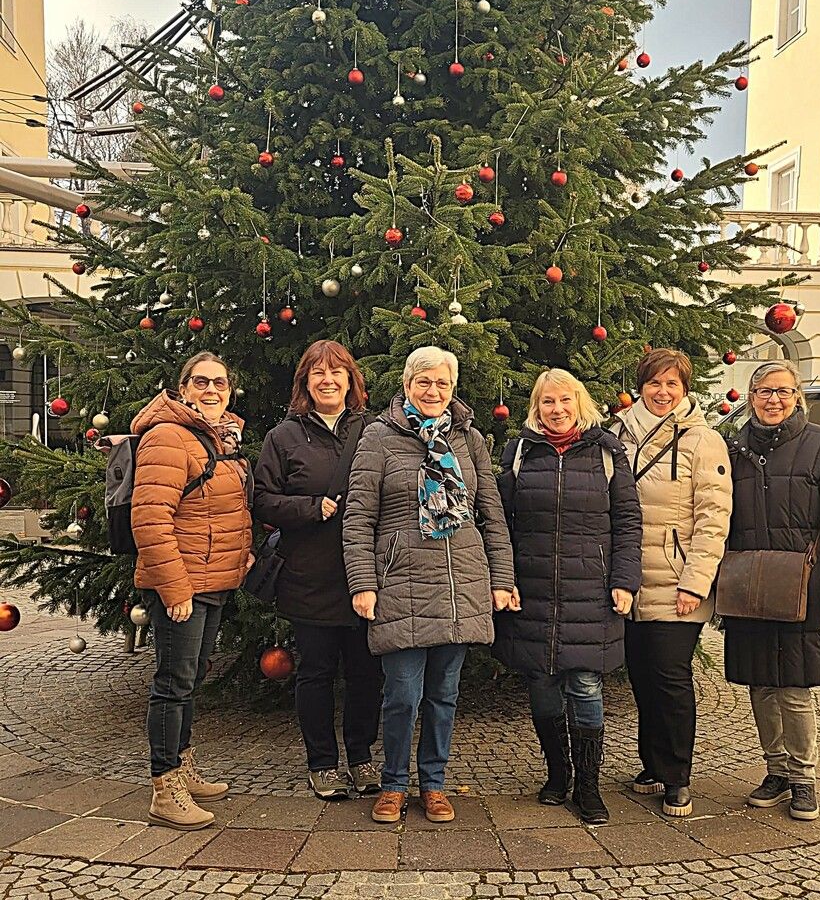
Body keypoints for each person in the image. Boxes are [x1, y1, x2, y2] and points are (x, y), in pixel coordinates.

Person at [343, 346, 515, 825]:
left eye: (441, 383)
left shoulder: (470, 439)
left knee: (444, 695)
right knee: (402, 694)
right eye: (424, 382)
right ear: (406, 385)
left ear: (452, 388)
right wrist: (363, 582)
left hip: (462, 583)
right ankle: (394, 783)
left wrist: (502, 578)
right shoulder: (379, 438)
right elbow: (358, 517)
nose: (433, 390)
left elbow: (492, 515)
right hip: (400, 583)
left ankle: (434, 783)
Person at [493, 369, 642, 824]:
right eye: (546, 402)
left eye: (564, 401)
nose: (556, 410)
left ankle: (589, 786)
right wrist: (505, 578)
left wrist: (624, 580)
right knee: (541, 683)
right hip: (532, 586)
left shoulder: (607, 453)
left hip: (590, 590)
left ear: (580, 403)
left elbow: (628, 523)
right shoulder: (519, 453)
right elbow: (501, 523)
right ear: (536, 408)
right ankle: (558, 775)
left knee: (585, 684)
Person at [724, 361, 820, 822]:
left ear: (797, 396)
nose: (773, 400)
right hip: (751, 584)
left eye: (782, 391)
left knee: (794, 688)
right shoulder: (735, 449)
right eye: (763, 391)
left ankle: (804, 778)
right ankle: (776, 770)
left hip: (806, 583)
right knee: (761, 685)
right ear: (750, 396)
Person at [254, 340, 382, 801]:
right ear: (305, 383)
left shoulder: (375, 430)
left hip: (364, 574)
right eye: (318, 374)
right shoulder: (283, 437)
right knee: (316, 673)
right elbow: (262, 499)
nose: (328, 380)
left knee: (367, 673)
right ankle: (323, 764)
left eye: (337, 372)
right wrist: (311, 507)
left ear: (351, 380)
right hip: (309, 576)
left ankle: (363, 757)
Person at [131, 352, 253, 831]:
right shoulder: (167, 437)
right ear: (183, 388)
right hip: (183, 584)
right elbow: (151, 519)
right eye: (201, 382)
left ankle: (182, 765)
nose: (212, 390)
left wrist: (242, 553)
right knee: (173, 683)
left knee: (191, 676)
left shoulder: (217, 437)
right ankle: (165, 787)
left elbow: (225, 508)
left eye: (220, 382)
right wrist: (174, 587)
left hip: (213, 580)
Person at [611, 348, 732, 818]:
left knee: (670, 677)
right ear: (641, 385)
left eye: (672, 385)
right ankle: (652, 763)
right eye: (655, 383)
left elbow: (713, 516)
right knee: (641, 674)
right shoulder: (618, 432)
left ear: (685, 389)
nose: (662, 393)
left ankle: (678, 774)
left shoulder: (703, 441)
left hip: (677, 579)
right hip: (627, 576)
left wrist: (695, 581)